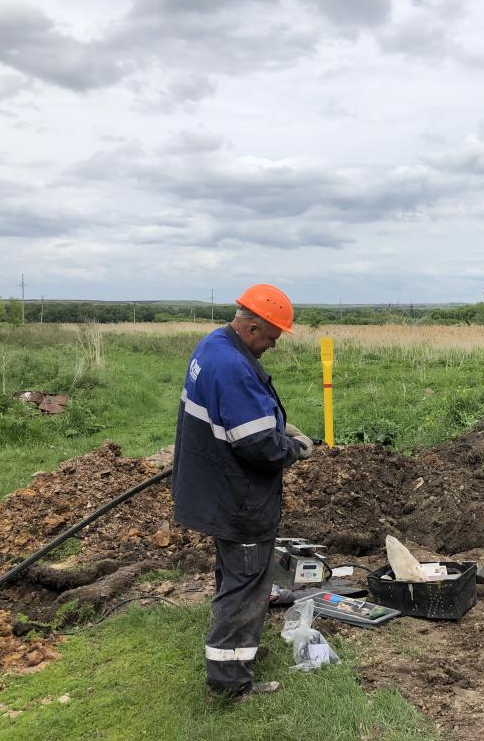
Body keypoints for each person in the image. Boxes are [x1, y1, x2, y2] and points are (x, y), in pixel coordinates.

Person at [171, 283, 314, 699]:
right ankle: (229, 683)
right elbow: (259, 447)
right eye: (272, 337)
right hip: (237, 497)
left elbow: (237, 416)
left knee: (235, 574)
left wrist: (273, 423)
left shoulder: (213, 345)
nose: (273, 345)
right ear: (252, 327)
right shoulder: (232, 366)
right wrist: (295, 448)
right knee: (245, 583)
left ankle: (238, 652)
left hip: (215, 487)